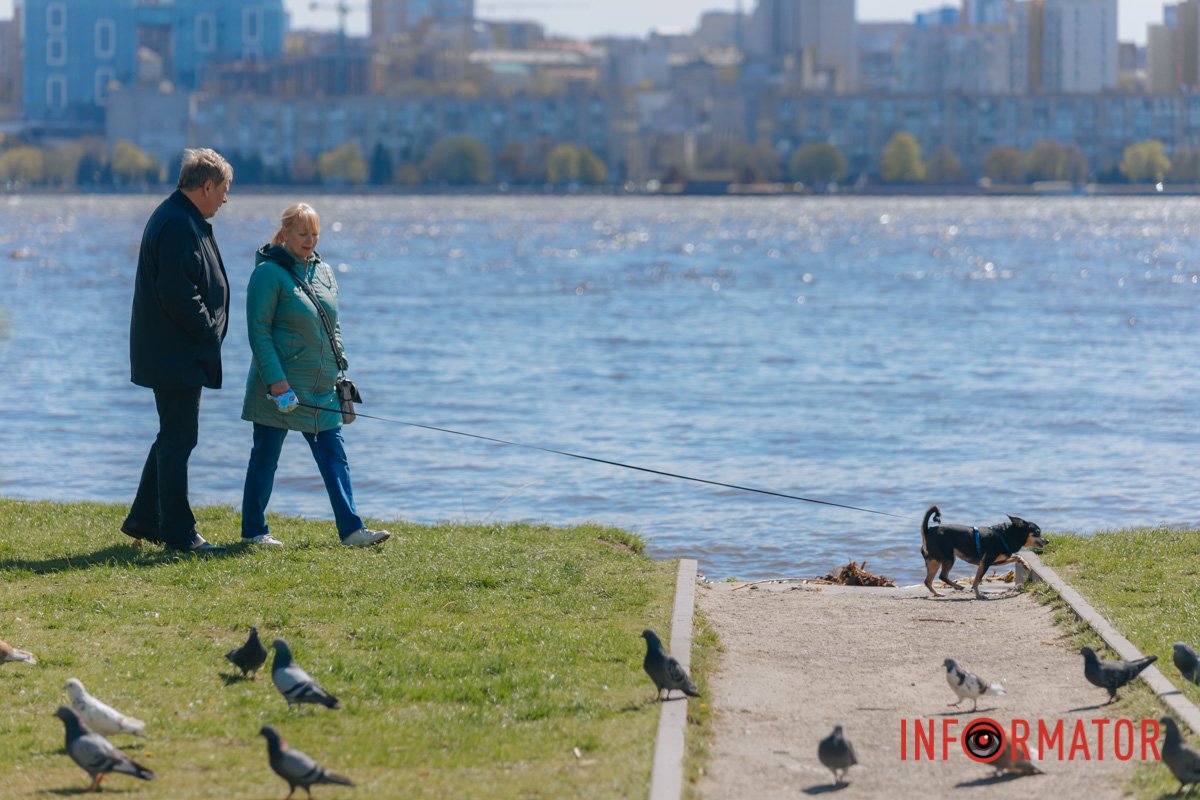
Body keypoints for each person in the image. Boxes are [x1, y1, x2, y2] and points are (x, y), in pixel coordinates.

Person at [239, 203, 390, 548]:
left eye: (315, 234)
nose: (310, 240)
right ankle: (254, 532)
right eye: (302, 233)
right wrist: (277, 381)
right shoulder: (267, 274)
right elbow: (258, 331)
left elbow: (333, 324)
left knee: (335, 456)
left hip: (322, 386)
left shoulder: (324, 272)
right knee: (265, 458)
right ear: (285, 234)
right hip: (280, 387)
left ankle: (352, 531)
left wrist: (340, 364)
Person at [122, 148, 233, 553]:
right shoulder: (176, 223)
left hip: (176, 351)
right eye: (224, 190)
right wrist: (207, 329)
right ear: (207, 186)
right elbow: (177, 292)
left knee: (173, 435)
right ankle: (179, 533)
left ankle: (145, 519)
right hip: (175, 353)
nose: (225, 199)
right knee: (179, 439)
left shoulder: (182, 217)